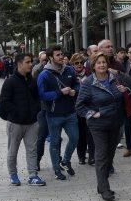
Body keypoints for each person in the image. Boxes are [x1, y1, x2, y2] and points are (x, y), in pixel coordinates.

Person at [75, 52, 129, 201]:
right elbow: (79, 106)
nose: (102, 65)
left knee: (110, 156)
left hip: (115, 122)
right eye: (98, 63)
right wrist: (93, 113)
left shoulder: (114, 79)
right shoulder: (88, 82)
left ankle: (101, 184)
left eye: (104, 62)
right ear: (93, 66)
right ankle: (104, 188)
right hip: (98, 125)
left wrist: (125, 91)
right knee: (101, 155)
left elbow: (127, 91)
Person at [0, 52, 45, 187]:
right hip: (15, 124)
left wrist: (36, 110)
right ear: (19, 64)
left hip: (32, 123)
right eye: (28, 62)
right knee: (13, 150)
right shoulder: (10, 81)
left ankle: (33, 175)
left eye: (31, 62)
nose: (31, 64)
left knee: (32, 150)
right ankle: (13, 174)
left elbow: (37, 98)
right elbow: (4, 102)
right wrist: (17, 113)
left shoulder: (32, 80)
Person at [37, 45, 80, 181]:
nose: (61, 57)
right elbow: (42, 95)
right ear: (50, 58)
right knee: (55, 142)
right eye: (58, 55)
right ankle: (57, 170)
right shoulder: (44, 74)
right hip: (53, 115)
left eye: (62, 54)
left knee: (74, 138)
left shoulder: (69, 69)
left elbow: (77, 84)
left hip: (70, 112)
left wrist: (75, 91)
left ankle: (65, 160)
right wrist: (59, 93)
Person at [70, 53, 94, 165]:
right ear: (73, 64)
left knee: (90, 132)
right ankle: (81, 156)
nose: (79, 65)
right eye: (76, 63)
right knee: (80, 134)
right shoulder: (70, 74)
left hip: (89, 107)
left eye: (81, 62)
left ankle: (92, 157)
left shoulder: (89, 73)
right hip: (76, 108)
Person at [32, 50, 49, 166]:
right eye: (43, 60)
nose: (45, 62)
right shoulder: (37, 70)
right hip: (42, 107)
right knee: (41, 135)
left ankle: (57, 159)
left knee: (54, 135)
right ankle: (37, 159)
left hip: (54, 108)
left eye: (47, 60)